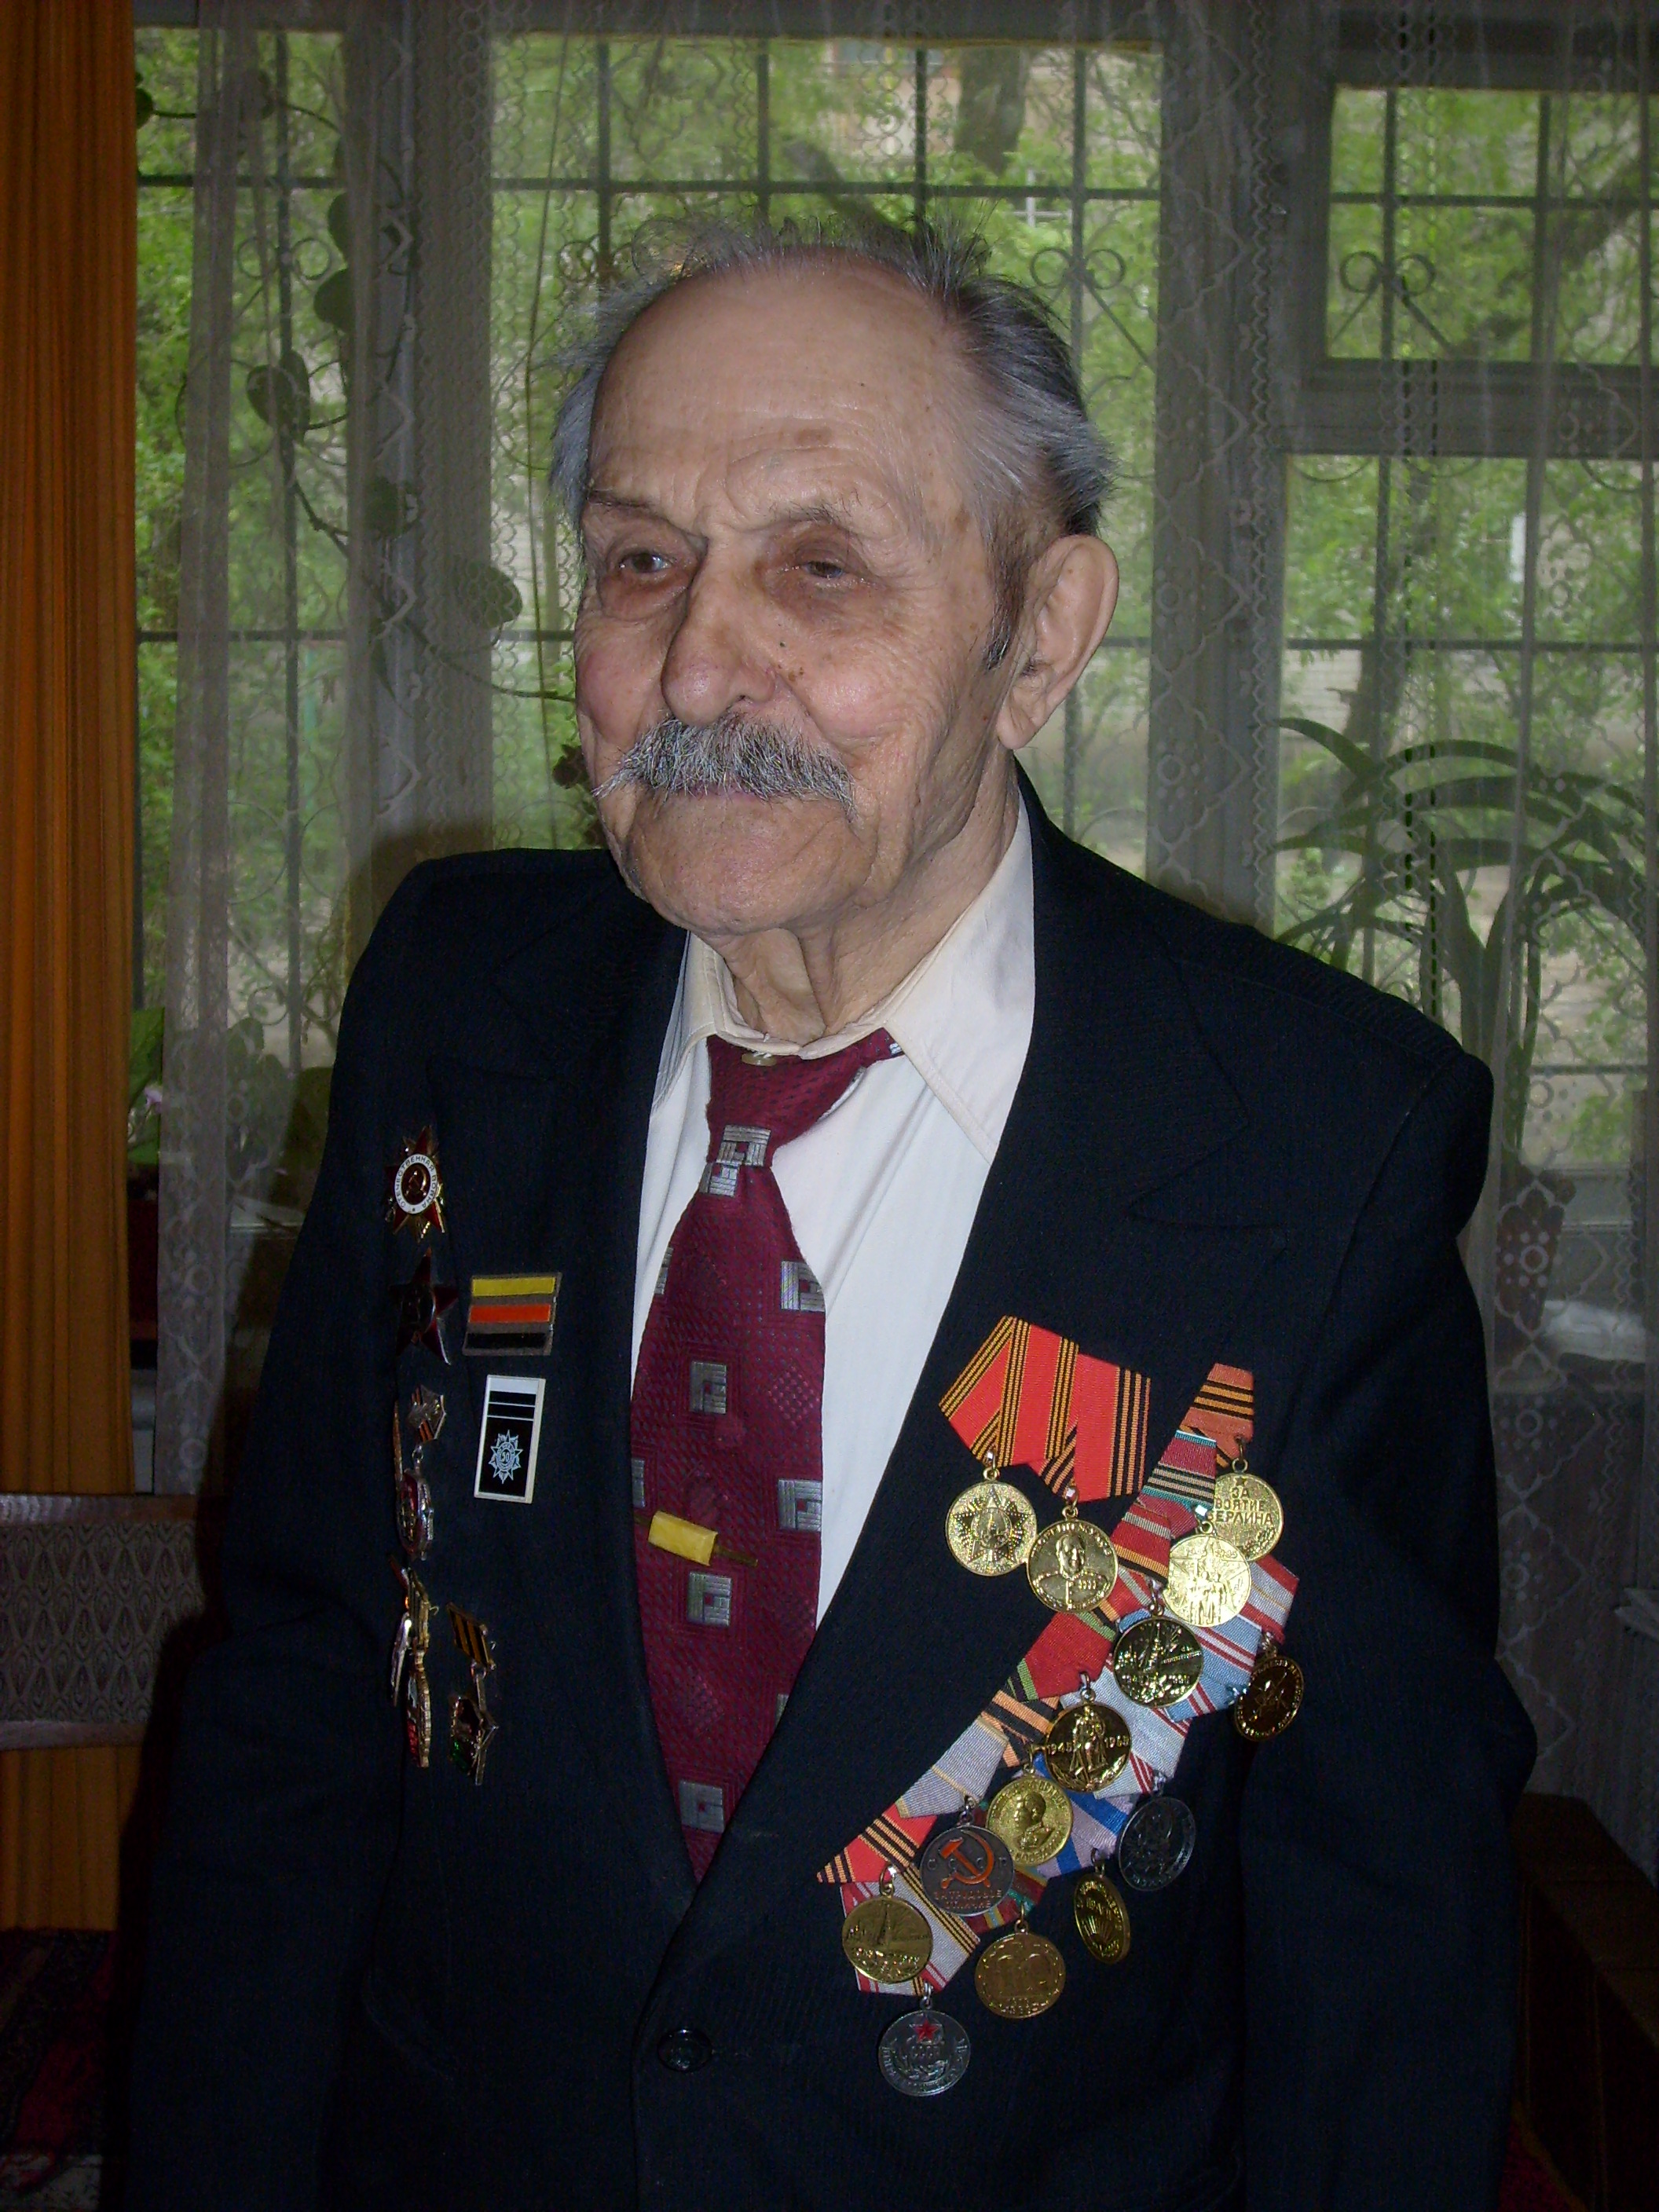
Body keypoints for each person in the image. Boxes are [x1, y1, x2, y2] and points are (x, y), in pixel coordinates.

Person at [127, 218, 1535, 2212]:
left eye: (819, 565)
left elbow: (1380, 1911)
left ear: (1039, 634)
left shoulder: (1314, 1140)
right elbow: (307, 1684)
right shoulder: (458, 997)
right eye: (641, 560)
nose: (700, 665)